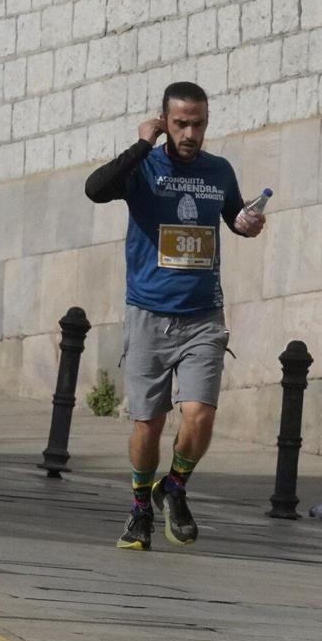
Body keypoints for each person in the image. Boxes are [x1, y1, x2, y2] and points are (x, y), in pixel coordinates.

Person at [84, 82, 264, 551]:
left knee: (199, 414)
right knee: (149, 422)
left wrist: (245, 223)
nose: (190, 133)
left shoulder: (218, 171)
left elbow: (233, 216)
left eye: (198, 123)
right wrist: (143, 143)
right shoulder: (144, 166)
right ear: (164, 121)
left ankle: (176, 486)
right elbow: (95, 190)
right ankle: (141, 506)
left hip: (203, 315)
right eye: (181, 123)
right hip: (148, 314)